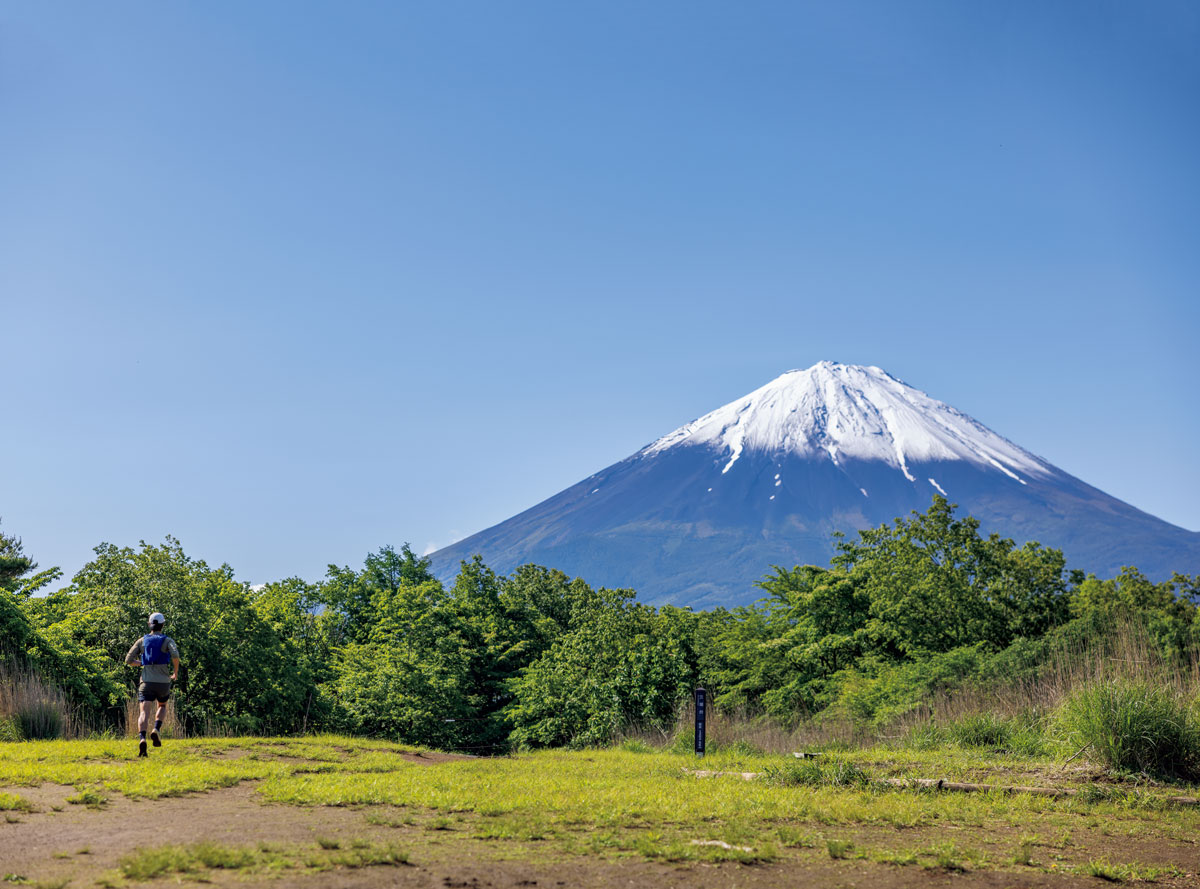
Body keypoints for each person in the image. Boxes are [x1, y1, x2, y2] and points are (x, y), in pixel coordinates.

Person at [124, 612, 181, 758]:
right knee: (162, 706)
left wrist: (142, 663)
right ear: (162, 625)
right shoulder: (167, 640)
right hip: (163, 682)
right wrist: (175, 672)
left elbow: (128, 660)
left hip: (146, 682)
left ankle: (142, 738)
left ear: (150, 624)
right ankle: (156, 729)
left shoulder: (141, 640)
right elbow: (175, 655)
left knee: (144, 712)